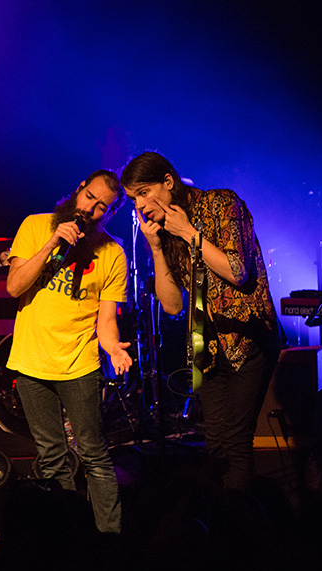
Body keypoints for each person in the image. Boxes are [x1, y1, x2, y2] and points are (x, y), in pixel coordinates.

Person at [121, 151, 280, 491]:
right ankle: (224, 523)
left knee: (236, 441)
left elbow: (238, 272)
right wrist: (156, 247)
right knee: (215, 446)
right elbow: (172, 305)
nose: (142, 206)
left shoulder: (222, 204)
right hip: (206, 345)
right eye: (135, 199)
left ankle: (242, 525)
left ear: (168, 182)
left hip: (246, 337)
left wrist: (190, 234)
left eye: (145, 192)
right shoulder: (164, 232)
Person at [5, 170, 132, 534]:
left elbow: (106, 320)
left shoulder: (112, 254)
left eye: (101, 206)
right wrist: (50, 245)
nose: (90, 207)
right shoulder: (35, 226)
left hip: (78, 363)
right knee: (51, 457)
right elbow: (14, 286)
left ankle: (108, 539)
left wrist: (113, 349)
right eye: (88, 197)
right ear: (78, 191)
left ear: (108, 214)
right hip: (32, 361)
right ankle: (65, 537)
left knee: (93, 453)